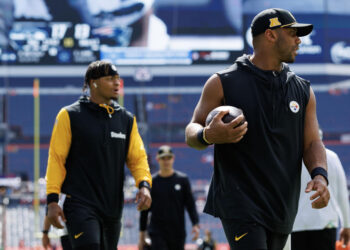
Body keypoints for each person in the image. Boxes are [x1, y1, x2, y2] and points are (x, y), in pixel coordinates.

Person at [185, 8, 330, 250]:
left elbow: (313, 142)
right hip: (241, 203)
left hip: (282, 204)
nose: (299, 40)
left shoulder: (303, 90)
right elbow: (191, 130)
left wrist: (320, 176)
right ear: (270, 35)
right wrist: (207, 134)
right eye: (293, 33)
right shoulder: (222, 82)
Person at [45, 60, 152, 250]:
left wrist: (144, 185)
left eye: (117, 78)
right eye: (110, 79)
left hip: (112, 208)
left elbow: (138, 158)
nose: (116, 83)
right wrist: (52, 200)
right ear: (93, 82)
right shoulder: (69, 115)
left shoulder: (126, 119)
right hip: (79, 205)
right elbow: (56, 159)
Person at [291, 130, 350, 250]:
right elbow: (342, 195)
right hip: (325, 224)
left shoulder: (291, 158)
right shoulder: (332, 157)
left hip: (295, 225)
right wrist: (347, 225)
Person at [138, 145, 200, 250]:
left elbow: (190, 205)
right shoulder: (151, 182)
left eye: (168, 158)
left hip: (178, 232)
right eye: (163, 158)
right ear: (158, 159)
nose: (166, 161)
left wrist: (195, 224)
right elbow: (144, 210)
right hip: (157, 231)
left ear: (173, 158)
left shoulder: (182, 180)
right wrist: (142, 236)